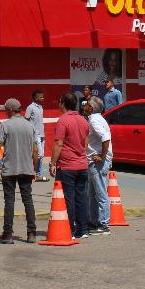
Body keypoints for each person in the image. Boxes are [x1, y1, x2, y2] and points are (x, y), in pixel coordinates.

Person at [0, 98, 39, 244]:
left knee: (9, 201)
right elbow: (35, 150)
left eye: (6, 109)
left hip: (9, 170)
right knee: (28, 200)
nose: (5, 112)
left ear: (11, 110)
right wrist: (35, 170)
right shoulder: (29, 126)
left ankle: (8, 234)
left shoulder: (5, 126)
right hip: (27, 168)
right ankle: (31, 233)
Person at [51, 91, 90, 239]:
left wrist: (53, 163)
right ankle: (83, 229)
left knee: (68, 199)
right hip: (82, 165)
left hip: (67, 166)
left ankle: (70, 229)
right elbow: (85, 143)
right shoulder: (83, 120)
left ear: (63, 104)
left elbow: (58, 144)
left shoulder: (63, 121)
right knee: (81, 197)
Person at [83, 96, 113, 235]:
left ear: (92, 107)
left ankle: (104, 224)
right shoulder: (96, 119)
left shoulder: (94, 120)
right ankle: (93, 222)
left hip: (98, 162)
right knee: (93, 194)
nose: (84, 106)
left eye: (87, 104)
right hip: (94, 161)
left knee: (100, 193)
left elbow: (105, 138)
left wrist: (102, 156)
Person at [25, 90, 48, 181]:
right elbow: (26, 120)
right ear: (35, 98)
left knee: (41, 155)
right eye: (41, 97)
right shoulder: (30, 107)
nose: (43, 98)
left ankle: (37, 174)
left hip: (42, 134)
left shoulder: (41, 107)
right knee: (38, 154)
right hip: (35, 135)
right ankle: (34, 173)